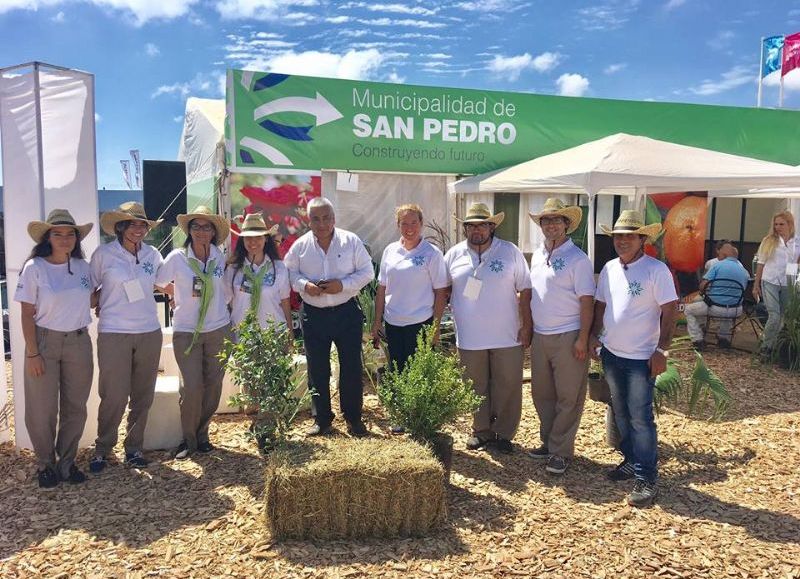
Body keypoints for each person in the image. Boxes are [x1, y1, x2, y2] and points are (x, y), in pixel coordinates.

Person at [590, 210, 678, 507]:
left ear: (643, 239)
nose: (622, 241)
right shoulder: (610, 268)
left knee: (641, 418)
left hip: (642, 358)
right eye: (618, 236)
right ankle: (630, 459)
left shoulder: (656, 270)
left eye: (629, 236)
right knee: (621, 412)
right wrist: (594, 336)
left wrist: (662, 350)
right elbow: (600, 306)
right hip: (612, 354)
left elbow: (670, 311)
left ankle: (647, 476)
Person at [15, 209, 94, 489]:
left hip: (79, 342)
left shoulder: (84, 268)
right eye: (57, 233)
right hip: (45, 342)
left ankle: (67, 462)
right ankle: (45, 464)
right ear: (48, 237)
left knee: (76, 405)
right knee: (42, 407)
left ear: (76, 237)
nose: (64, 238)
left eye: (69, 233)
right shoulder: (35, 267)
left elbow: (93, 298)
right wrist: (33, 352)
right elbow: (26, 314)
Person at [444, 202, 532, 454]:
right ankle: (481, 430)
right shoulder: (453, 255)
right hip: (469, 336)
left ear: (492, 227)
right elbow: (442, 288)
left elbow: (525, 290)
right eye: (471, 226)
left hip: (507, 335)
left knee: (508, 385)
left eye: (482, 225)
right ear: (465, 229)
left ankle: (503, 434)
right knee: (474, 385)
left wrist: (527, 326)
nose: (476, 231)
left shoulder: (510, 252)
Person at [284, 197, 374, 437]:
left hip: (346, 312)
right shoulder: (300, 246)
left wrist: (342, 285)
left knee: (352, 368)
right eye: (316, 218)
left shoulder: (350, 241)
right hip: (314, 315)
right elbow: (289, 273)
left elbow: (368, 272)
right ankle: (322, 420)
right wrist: (304, 285)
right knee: (317, 369)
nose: (322, 223)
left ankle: (354, 418)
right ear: (308, 220)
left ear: (334, 219)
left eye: (326, 218)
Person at [89, 202, 164, 474]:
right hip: (114, 332)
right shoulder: (103, 254)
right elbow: (90, 290)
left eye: (142, 224)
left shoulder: (153, 255)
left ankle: (133, 448)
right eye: (132, 224)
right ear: (120, 226)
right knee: (114, 395)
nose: (138, 229)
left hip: (148, 331)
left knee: (142, 396)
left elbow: (165, 281)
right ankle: (102, 449)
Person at [155, 206, 232, 460]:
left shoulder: (219, 257)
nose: (201, 231)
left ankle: (202, 434)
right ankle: (187, 439)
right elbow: (157, 280)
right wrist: (175, 294)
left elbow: (226, 288)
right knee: (192, 386)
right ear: (189, 230)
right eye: (196, 226)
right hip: (188, 331)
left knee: (213, 386)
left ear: (213, 232)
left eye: (206, 227)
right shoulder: (177, 257)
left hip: (218, 328)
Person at [527, 199, 595, 475]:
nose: (551, 225)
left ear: (567, 224)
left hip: (568, 335)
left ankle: (561, 451)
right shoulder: (537, 254)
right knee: (542, 394)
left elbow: (587, 302)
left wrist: (582, 338)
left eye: (557, 220)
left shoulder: (578, 259)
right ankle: (549, 441)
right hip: (541, 336)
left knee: (568, 396)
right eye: (546, 220)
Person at [372, 204, 448, 434]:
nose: (409, 228)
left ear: (421, 223)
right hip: (394, 322)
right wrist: (377, 322)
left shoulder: (431, 254)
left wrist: (435, 327)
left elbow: (440, 292)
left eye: (413, 222)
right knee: (398, 370)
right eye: (404, 223)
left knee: (418, 371)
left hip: (420, 322)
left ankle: (419, 417)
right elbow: (382, 288)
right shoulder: (390, 251)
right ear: (398, 226)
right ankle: (402, 415)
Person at [225, 212, 293, 336]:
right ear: (242, 240)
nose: (253, 242)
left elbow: (285, 302)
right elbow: (226, 303)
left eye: (258, 237)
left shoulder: (278, 267)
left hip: (274, 336)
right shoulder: (233, 269)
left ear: (266, 238)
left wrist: (290, 334)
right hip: (242, 336)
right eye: (248, 238)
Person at [685, 242, 750, 350]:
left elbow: (703, 286)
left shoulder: (717, 266)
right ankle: (723, 338)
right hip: (736, 309)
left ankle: (698, 340)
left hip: (715, 307)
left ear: (723, 255)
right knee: (728, 305)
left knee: (689, 310)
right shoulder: (744, 271)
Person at [752, 210, 799, 357]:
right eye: (776, 224)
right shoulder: (769, 240)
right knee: (774, 315)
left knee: (783, 316)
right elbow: (760, 263)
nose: (778, 227)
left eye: (781, 224)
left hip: (788, 282)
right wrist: (756, 284)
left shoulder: (797, 242)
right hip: (770, 279)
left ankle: (774, 346)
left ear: (790, 224)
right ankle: (766, 346)